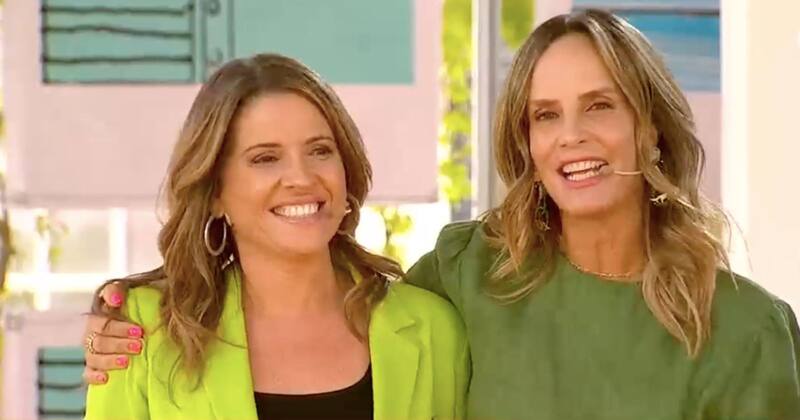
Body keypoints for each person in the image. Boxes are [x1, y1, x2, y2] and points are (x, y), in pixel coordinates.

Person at [83, 10, 800, 419]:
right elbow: (294, 280)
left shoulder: (748, 331)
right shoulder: (471, 276)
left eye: (600, 106)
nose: (572, 137)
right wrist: (124, 306)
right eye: (545, 115)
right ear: (525, 142)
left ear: (652, 128)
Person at [82, 53, 469, 420]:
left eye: (320, 151)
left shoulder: (433, 329)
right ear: (214, 192)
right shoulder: (142, 332)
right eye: (265, 158)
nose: (301, 178)